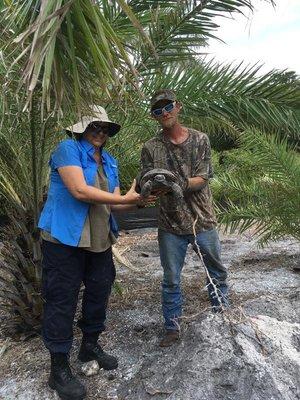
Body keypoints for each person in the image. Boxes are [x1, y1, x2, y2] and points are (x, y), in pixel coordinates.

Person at [38, 106, 150, 400]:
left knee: (99, 291)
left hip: (99, 239)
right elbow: (79, 191)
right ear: (80, 129)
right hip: (64, 240)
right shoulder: (67, 149)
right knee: (61, 299)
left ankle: (90, 345)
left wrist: (139, 201)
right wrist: (125, 197)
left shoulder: (109, 161)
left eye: (104, 129)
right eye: (94, 127)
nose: (100, 133)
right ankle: (58, 367)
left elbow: (113, 203)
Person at [140, 90, 229, 348]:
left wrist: (177, 183)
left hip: (203, 221)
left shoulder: (201, 139)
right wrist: (150, 190)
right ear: (154, 116)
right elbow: (147, 181)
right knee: (171, 279)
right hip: (170, 224)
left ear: (178, 106)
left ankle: (222, 316)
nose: (164, 112)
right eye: (158, 110)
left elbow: (203, 178)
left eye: (167, 106)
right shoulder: (150, 148)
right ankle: (172, 326)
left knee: (216, 272)